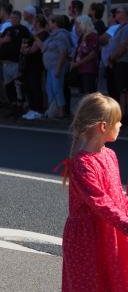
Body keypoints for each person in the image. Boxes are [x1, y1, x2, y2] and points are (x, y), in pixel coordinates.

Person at [61, 92, 128, 292]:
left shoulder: (110, 155)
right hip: (88, 238)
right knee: (90, 285)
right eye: (118, 122)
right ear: (103, 127)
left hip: (111, 230)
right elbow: (101, 202)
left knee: (113, 281)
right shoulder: (82, 164)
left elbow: (115, 196)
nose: (121, 125)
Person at [37, 15, 73, 119]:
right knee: (50, 88)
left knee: (57, 88)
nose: (48, 24)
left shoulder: (61, 35)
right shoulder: (52, 35)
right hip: (50, 67)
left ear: (55, 23)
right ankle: (53, 110)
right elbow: (44, 48)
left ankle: (61, 111)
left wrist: (58, 68)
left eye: (50, 22)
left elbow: (63, 52)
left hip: (56, 66)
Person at [20, 14, 49, 120]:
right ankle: (32, 108)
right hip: (28, 63)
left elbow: (33, 49)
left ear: (38, 23)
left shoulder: (43, 34)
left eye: (34, 22)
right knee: (29, 86)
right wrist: (24, 49)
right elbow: (24, 48)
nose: (33, 24)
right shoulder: (34, 34)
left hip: (36, 63)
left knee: (35, 86)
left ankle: (38, 109)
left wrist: (26, 50)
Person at [108, 5, 128, 123]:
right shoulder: (121, 27)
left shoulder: (126, 28)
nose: (116, 14)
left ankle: (124, 116)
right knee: (121, 90)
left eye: (118, 11)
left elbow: (123, 47)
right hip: (118, 62)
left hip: (123, 62)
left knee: (124, 90)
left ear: (125, 14)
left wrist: (112, 57)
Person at [71, 15, 99, 94]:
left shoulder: (92, 36)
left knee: (89, 93)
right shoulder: (83, 36)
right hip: (81, 69)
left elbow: (92, 54)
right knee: (84, 93)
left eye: (78, 24)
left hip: (89, 69)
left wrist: (77, 63)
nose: (76, 27)